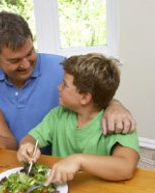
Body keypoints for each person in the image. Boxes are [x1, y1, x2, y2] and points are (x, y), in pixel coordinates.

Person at [0, 11, 136, 153]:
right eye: (14, 60)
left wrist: (116, 105)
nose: (26, 64)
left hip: (54, 160)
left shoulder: (60, 67)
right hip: (12, 162)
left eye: (30, 53)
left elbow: (94, 93)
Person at [17, 53, 139, 184]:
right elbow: (31, 138)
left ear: (85, 98)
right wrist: (27, 146)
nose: (58, 87)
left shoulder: (118, 122)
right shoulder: (58, 114)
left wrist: (79, 160)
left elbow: (126, 168)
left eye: (64, 84)